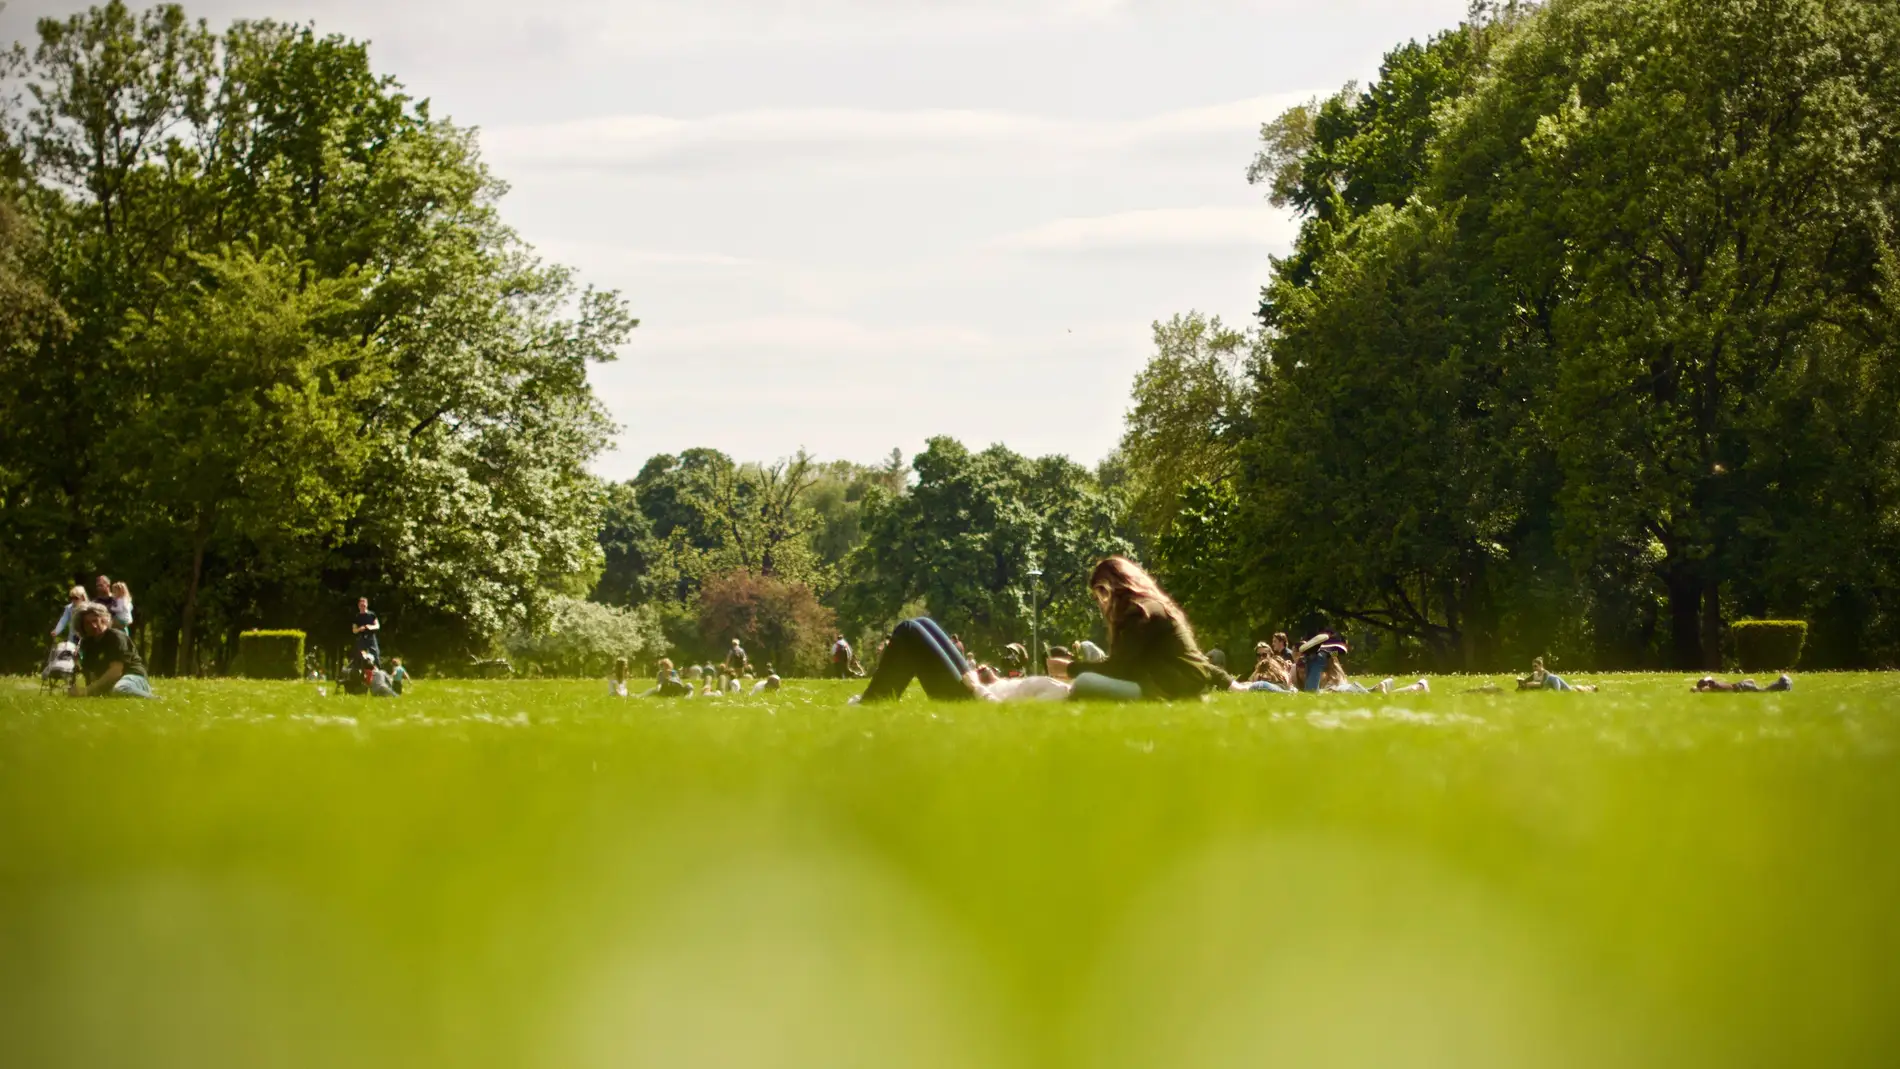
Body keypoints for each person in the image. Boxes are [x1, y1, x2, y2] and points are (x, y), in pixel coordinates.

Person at [1044, 557, 1233, 702]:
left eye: (1098, 596)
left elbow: (1119, 669)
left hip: (1167, 687)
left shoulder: (1139, 612)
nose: (1100, 605)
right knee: (1085, 681)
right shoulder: (1153, 606)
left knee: (1084, 682)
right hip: (1179, 683)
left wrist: (1069, 668)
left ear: (1110, 589)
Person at [852, 617, 996, 703]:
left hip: (977, 698)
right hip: (982, 690)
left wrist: (982, 691)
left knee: (908, 630)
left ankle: (873, 700)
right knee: (923, 622)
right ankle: (874, 697)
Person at [70, 603, 154, 698]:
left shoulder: (116, 637)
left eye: (95, 621)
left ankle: (154, 699)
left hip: (132, 677)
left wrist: (87, 691)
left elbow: (116, 671)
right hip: (111, 682)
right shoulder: (87, 643)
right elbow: (91, 674)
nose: (93, 626)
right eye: (87, 623)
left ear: (104, 619)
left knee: (120, 689)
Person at [1518, 656, 1595, 692]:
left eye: (1535, 666)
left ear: (1541, 665)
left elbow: (1542, 684)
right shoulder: (1534, 674)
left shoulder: (1546, 674)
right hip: (1554, 690)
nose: (1534, 668)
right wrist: (1521, 681)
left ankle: (1590, 688)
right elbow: (1526, 681)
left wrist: (1531, 684)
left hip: (1559, 688)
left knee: (1575, 690)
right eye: (1533, 666)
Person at [352, 597, 382, 663]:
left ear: (367, 605)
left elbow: (377, 625)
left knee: (376, 654)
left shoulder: (372, 614)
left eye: (364, 605)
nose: (363, 607)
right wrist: (360, 629)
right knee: (360, 655)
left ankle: (377, 668)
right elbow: (354, 630)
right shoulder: (356, 617)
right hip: (361, 638)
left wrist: (370, 627)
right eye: (361, 605)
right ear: (359, 606)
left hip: (371, 637)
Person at [1694, 674, 1794, 692]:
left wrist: (1697, 688)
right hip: (1740, 685)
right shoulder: (1712, 683)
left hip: (1740, 687)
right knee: (1761, 689)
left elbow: (1699, 689)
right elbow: (1708, 678)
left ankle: (1784, 684)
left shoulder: (1712, 687)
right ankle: (1783, 684)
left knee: (1763, 691)